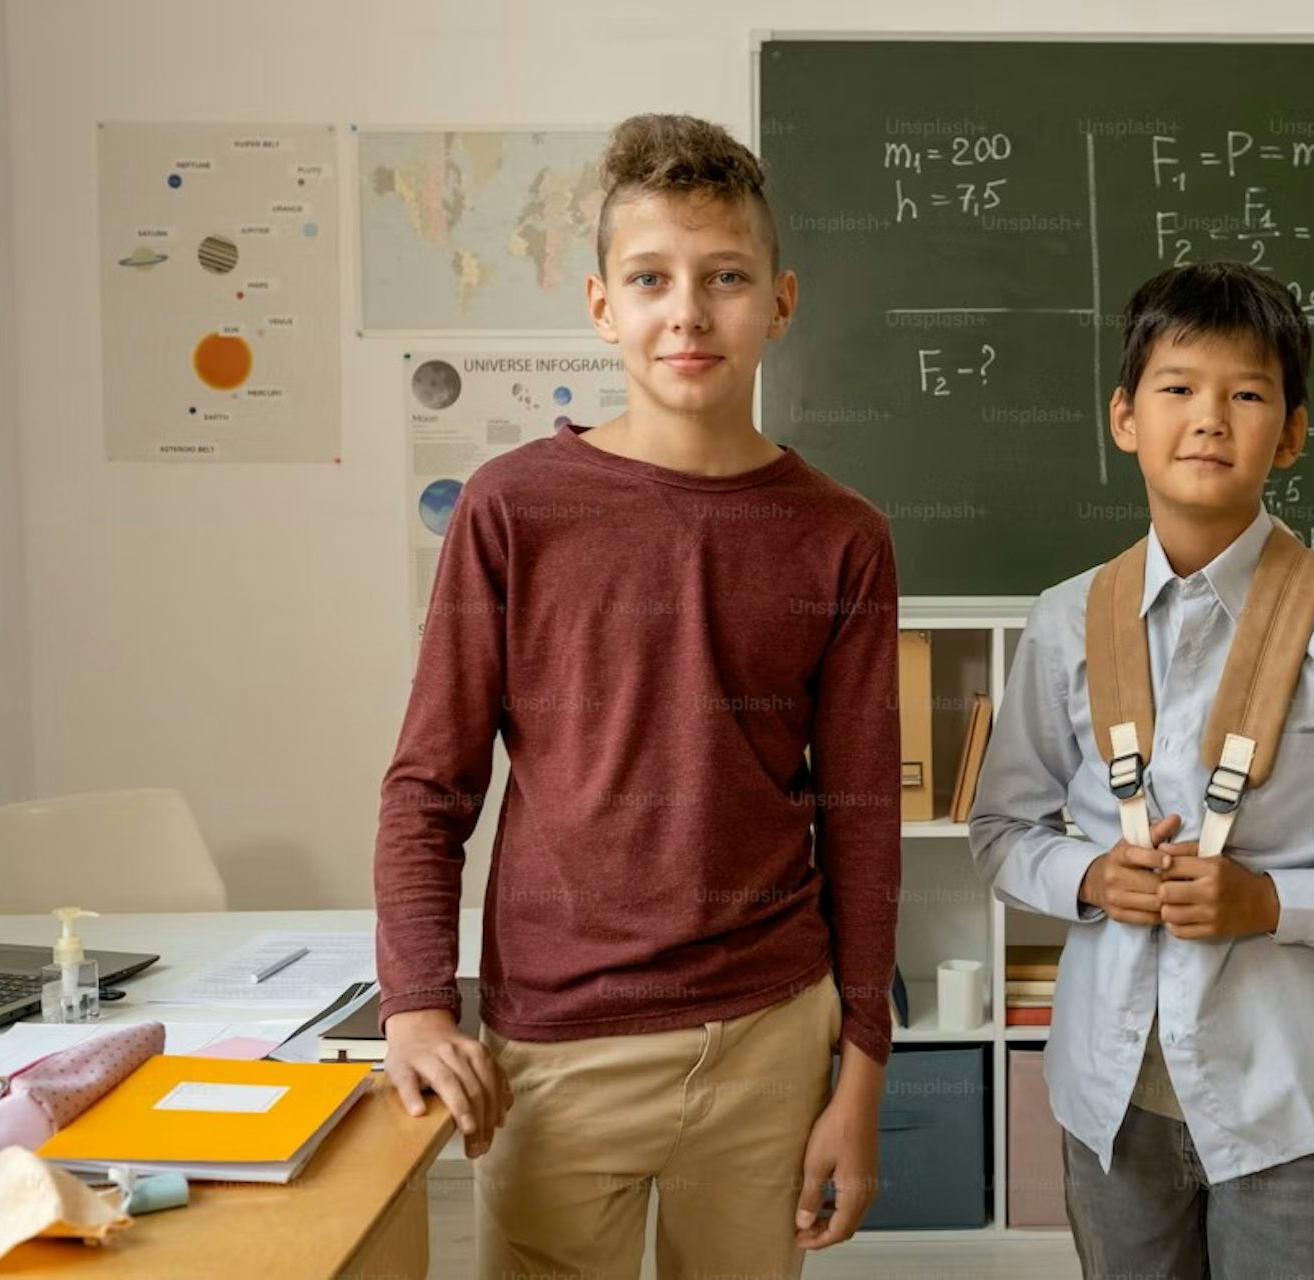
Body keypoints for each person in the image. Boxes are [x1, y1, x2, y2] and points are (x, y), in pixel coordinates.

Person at [374, 112, 900, 1279]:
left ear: (781, 300)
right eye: (652, 279)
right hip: (560, 1044)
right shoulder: (513, 509)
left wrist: (861, 1065)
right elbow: (430, 779)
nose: (689, 312)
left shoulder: (843, 537)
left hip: (769, 1030)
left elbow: (861, 819)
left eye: (726, 277)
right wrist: (414, 1001)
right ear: (603, 305)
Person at [969, 260, 1314, 1279]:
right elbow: (1002, 834)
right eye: (1177, 388)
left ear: (1294, 432)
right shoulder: (1063, 622)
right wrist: (1088, 877)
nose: (1209, 417)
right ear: (1125, 417)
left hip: (1289, 1106)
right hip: (1111, 1099)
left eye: (1248, 392)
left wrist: (1272, 902)